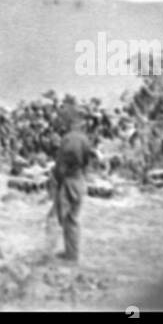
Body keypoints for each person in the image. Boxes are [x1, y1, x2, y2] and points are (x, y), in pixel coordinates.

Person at [51, 107, 97, 263]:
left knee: (66, 218)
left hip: (69, 180)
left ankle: (71, 255)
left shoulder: (68, 139)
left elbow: (60, 164)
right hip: (80, 180)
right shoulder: (85, 139)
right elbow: (88, 161)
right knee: (73, 216)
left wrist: (57, 179)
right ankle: (71, 252)